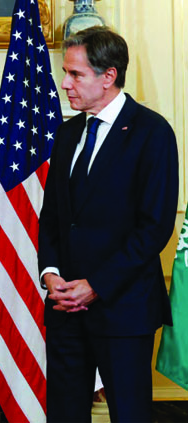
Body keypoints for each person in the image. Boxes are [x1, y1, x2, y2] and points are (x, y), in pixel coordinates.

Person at [38, 26, 178, 422]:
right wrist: (50, 273)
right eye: (65, 73)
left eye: (75, 74)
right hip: (65, 307)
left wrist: (96, 285)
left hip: (123, 309)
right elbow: (53, 216)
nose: (65, 84)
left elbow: (153, 228)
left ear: (108, 76)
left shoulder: (152, 133)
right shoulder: (67, 133)